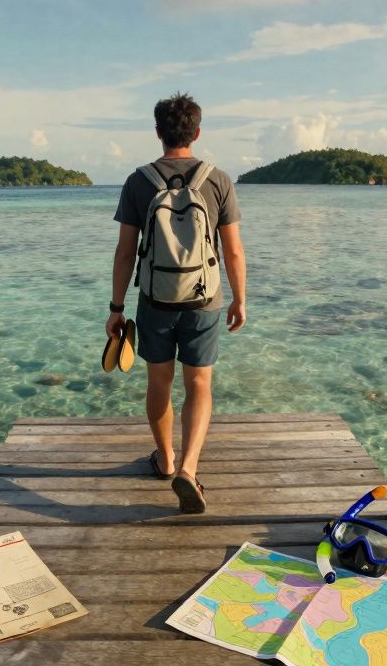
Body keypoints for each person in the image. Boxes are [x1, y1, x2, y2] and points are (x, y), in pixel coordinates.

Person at [108, 92, 247, 513]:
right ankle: (189, 468)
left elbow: (125, 251)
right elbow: (234, 251)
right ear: (197, 131)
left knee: (159, 382)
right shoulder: (217, 180)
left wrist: (116, 308)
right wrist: (240, 299)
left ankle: (165, 459)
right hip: (205, 300)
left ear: (158, 133)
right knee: (199, 384)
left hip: (155, 300)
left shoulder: (139, 181)